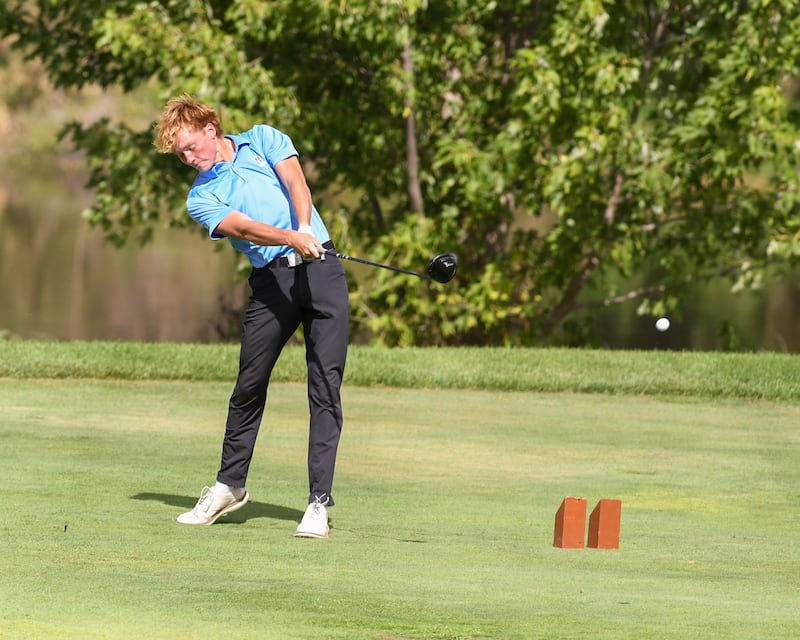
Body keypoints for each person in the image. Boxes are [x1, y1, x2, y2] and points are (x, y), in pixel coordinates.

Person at [153, 95, 349, 538]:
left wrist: (302, 230)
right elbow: (241, 228)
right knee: (249, 383)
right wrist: (286, 238)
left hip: (321, 269)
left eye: (190, 147)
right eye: (180, 154)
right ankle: (229, 486)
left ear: (210, 127)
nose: (188, 158)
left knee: (324, 386)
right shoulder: (201, 196)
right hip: (272, 284)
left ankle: (318, 503)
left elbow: (298, 184)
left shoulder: (263, 139)